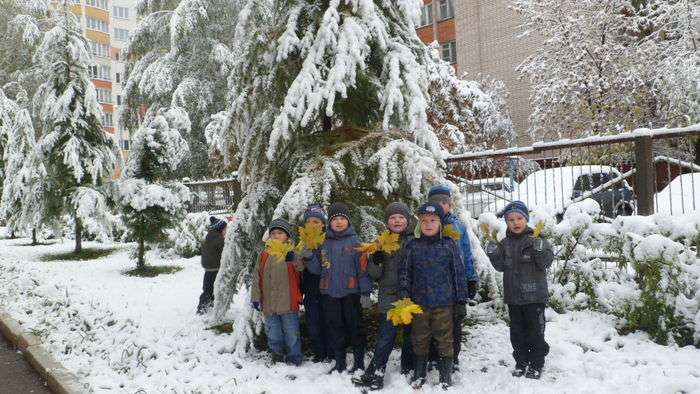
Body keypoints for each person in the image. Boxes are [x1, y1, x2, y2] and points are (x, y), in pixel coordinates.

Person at [399, 202, 468, 389]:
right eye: (424, 221)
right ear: (419, 224)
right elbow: (405, 272)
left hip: (444, 303)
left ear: (440, 223)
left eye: (433, 220)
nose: (428, 224)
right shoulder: (413, 246)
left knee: (444, 339)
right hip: (419, 303)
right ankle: (419, 373)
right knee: (419, 339)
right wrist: (404, 293)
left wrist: (461, 300)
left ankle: (446, 375)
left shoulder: (449, 245)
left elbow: (458, 274)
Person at [485, 201, 553, 379]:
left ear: (526, 219)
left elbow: (545, 263)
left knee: (535, 331)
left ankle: (537, 362)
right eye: (511, 220)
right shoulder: (504, 243)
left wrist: (539, 249)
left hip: (535, 297)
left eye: (519, 218)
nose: (515, 222)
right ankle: (521, 361)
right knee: (517, 333)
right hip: (514, 297)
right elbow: (500, 266)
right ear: (506, 222)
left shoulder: (537, 239)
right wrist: (493, 254)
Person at [352, 202, 415, 390]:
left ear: (407, 220)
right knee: (386, 337)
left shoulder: (415, 240)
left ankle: (408, 370)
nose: (397, 221)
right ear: (387, 221)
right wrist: (376, 260)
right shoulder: (381, 241)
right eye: (393, 218)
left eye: (401, 217)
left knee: (411, 337)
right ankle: (376, 372)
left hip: (411, 295)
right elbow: (374, 274)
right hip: (388, 295)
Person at [306, 202, 372, 374]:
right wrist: (308, 257)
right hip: (330, 294)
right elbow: (318, 269)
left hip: (351, 294)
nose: (339, 222)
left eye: (343, 218)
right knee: (335, 327)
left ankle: (358, 361)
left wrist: (365, 292)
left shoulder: (355, 242)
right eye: (335, 219)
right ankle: (340, 361)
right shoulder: (324, 243)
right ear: (330, 223)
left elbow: (363, 270)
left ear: (348, 221)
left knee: (355, 326)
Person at [427, 185, 478, 370]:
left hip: (454, 283)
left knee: (454, 324)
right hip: (431, 284)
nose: (441, 206)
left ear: (450, 205)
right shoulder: (425, 225)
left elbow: (466, 253)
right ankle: (432, 357)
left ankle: (452, 359)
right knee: (433, 322)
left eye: (444, 203)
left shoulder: (457, 226)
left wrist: (470, 279)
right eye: (436, 203)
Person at [251, 218, 304, 366]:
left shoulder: (292, 252)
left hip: (288, 302)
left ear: (287, 236)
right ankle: (277, 354)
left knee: (291, 333)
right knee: (273, 333)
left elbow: (301, 269)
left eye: (280, 233)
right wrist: (256, 297)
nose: (276, 236)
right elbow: (257, 277)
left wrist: (293, 259)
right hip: (269, 304)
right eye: (273, 233)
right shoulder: (264, 255)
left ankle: (294, 357)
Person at [297, 204, 332, 362]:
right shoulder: (302, 243)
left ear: (323, 224)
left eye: (316, 222)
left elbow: (321, 269)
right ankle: (319, 352)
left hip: (326, 291)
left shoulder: (327, 242)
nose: (312, 225)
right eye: (309, 221)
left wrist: (310, 257)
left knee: (328, 321)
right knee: (313, 323)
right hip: (310, 291)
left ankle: (331, 352)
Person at [197, 216, 226, 314]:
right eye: (225, 229)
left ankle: (208, 304)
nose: (226, 231)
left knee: (208, 288)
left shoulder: (209, 236)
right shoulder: (219, 239)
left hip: (208, 268)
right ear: (220, 229)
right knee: (211, 289)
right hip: (215, 268)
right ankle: (202, 308)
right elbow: (224, 253)